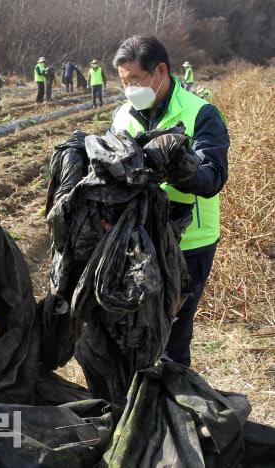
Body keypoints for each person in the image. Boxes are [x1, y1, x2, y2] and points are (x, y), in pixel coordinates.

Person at [109, 34, 229, 367]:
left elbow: (213, 177)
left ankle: (168, 409)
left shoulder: (200, 113)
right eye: (123, 82)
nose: (130, 89)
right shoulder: (122, 116)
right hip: (137, 241)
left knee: (171, 335)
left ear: (160, 71)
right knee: (134, 329)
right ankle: (138, 400)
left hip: (188, 243)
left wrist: (174, 167)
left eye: (136, 79)